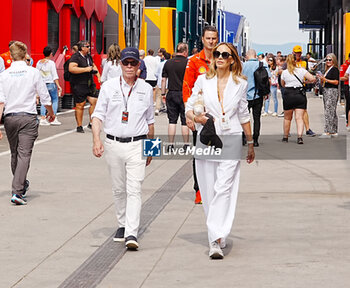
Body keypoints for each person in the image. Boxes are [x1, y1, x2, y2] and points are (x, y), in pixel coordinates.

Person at [185, 42, 255, 259]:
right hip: (208, 138)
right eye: (217, 54)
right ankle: (217, 233)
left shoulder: (241, 83)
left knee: (223, 187)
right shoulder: (203, 80)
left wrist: (251, 142)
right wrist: (195, 117)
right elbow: (189, 107)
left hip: (231, 138)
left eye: (225, 54)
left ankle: (215, 240)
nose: (220, 57)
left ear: (233, 59)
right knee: (208, 189)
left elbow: (244, 114)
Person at [91, 47, 154, 250]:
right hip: (113, 143)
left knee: (134, 189)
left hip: (138, 143)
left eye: (132, 63)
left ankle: (131, 232)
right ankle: (122, 223)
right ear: (120, 64)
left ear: (138, 66)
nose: (128, 66)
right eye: (125, 63)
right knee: (119, 189)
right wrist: (96, 140)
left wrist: (151, 150)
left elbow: (150, 121)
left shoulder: (146, 89)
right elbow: (97, 115)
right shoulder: (109, 87)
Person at [0, 41, 55, 205]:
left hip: (10, 117)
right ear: (25, 56)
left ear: (10, 56)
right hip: (28, 117)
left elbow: (1, 102)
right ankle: (17, 190)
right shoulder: (33, 72)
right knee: (24, 154)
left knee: (15, 153)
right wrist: (50, 113)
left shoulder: (3, 75)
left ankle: (21, 184)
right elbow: (44, 96)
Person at [183, 25, 218, 204]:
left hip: (220, 117)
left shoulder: (223, 60)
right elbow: (187, 88)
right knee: (199, 153)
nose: (211, 41)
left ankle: (216, 188)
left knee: (219, 152)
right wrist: (189, 117)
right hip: (200, 117)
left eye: (214, 38)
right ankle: (199, 190)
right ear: (202, 40)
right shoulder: (194, 61)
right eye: (208, 38)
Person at [281, 54, 316, 144]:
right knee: (299, 118)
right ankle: (299, 137)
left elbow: (283, 84)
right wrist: (305, 82)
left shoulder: (284, 72)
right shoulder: (301, 70)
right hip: (299, 94)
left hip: (288, 94)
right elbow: (313, 79)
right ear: (295, 61)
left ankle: (285, 137)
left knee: (287, 118)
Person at [69, 40, 101, 133]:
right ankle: (79, 126)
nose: (89, 48)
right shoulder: (76, 57)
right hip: (79, 83)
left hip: (90, 83)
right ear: (82, 48)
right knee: (80, 105)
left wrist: (98, 75)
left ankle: (92, 122)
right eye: (87, 46)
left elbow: (93, 66)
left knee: (94, 101)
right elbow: (72, 68)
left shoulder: (88, 56)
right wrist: (85, 69)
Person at [161, 43, 189, 149]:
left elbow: (164, 80)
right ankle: (186, 144)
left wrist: (163, 94)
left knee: (172, 121)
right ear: (185, 51)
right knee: (184, 121)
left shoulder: (168, 63)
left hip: (171, 93)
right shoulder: (188, 63)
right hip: (184, 94)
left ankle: (170, 144)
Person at [242, 49, 270, 147]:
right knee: (256, 118)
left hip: (244, 96)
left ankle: (244, 137)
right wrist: (267, 93)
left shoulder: (242, 66)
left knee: (243, 118)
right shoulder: (262, 65)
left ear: (247, 56)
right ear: (255, 56)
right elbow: (267, 79)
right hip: (258, 95)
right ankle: (255, 139)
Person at [292, 45, 316, 137]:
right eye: (296, 52)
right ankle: (287, 132)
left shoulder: (304, 62)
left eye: (299, 52)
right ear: (293, 53)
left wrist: (306, 81)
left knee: (304, 110)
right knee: (290, 111)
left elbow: (307, 74)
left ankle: (307, 129)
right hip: (290, 89)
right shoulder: (290, 62)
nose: (298, 54)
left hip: (301, 89)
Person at [36, 46, 62, 126]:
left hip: (42, 84)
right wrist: (58, 86)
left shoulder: (39, 62)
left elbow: (37, 74)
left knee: (44, 101)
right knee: (54, 100)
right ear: (50, 54)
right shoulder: (51, 63)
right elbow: (55, 75)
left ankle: (43, 118)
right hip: (51, 83)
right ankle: (53, 117)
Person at [317, 53, 339, 138]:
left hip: (332, 90)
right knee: (330, 110)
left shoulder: (334, 69)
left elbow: (336, 82)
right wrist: (322, 79)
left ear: (333, 60)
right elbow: (325, 81)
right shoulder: (328, 70)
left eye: (330, 60)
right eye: (327, 60)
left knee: (329, 111)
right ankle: (333, 130)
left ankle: (328, 130)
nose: (328, 61)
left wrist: (325, 79)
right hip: (326, 90)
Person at [339, 53, 350, 129]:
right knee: (348, 104)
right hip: (347, 86)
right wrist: (348, 78)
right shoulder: (345, 66)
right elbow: (341, 77)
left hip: (347, 85)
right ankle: (347, 120)